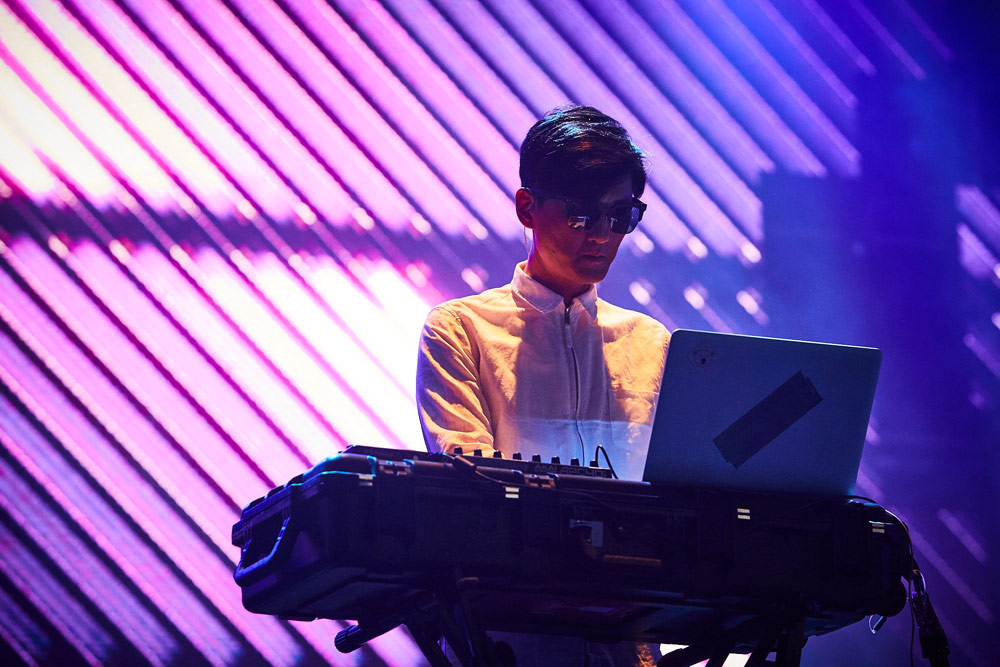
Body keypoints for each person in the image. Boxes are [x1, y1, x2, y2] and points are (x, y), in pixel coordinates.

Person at [415, 105, 669, 666]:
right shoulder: (461, 329)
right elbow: (468, 480)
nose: (602, 234)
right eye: (581, 215)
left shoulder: (652, 344)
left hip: (628, 645)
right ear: (527, 208)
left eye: (620, 215)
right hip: (507, 641)